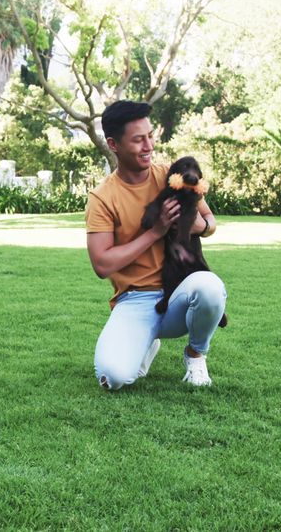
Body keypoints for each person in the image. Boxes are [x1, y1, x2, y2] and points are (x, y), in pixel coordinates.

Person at [85, 100, 227, 390]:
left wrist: (202, 227)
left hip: (180, 294)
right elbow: (102, 265)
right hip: (134, 300)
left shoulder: (171, 176)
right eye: (138, 139)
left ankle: (196, 354)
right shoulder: (102, 198)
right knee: (112, 377)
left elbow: (210, 220)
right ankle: (146, 342)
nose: (148, 145)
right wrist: (155, 231)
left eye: (150, 136)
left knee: (209, 286)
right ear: (113, 144)